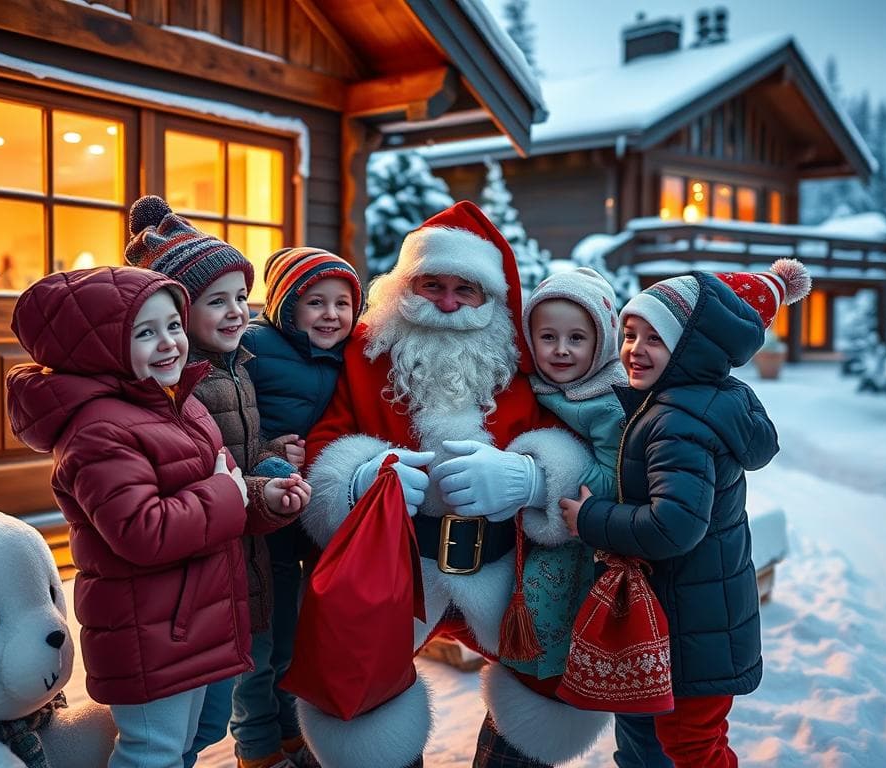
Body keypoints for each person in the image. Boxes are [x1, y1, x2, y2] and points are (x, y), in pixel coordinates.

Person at [300, 201, 609, 768]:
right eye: (431, 284)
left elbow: (581, 444)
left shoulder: (524, 354)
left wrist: (530, 477)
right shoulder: (366, 351)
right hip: (395, 569)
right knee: (364, 701)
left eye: (465, 289)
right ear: (402, 285)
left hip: (506, 568)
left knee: (540, 699)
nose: (446, 302)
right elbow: (325, 443)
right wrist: (361, 477)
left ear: (491, 296)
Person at [559, 260, 812, 768]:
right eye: (630, 334)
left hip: (689, 630)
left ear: (691, 349)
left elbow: (672, 526)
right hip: (685, 618)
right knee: (644, 739)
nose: (634, 349)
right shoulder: (689, 401)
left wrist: (592, 518)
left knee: (690, 747)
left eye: (655, 338)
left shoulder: (679, 422)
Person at [6, 266, 253, 768]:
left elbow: (219, 485)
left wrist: (252, 498)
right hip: (147, 627)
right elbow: (143, 530)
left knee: (193, 737)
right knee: (151, 752)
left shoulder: (176, 402)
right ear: (97, 350)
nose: (169, 343)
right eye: (144, 333)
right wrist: (229, 495)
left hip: (193, 616)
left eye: (174, 325)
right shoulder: (98, 432)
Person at [122, 196, 312, 768]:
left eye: (239, 297)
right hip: (202, 565)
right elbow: (207, 472)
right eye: (216, 301)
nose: (235, 312)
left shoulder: (238, 366)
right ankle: (257, 749)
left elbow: (236, 454)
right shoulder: (179, 384)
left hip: (239, 553)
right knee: (198, 710)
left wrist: (271, 457)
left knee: (229, 686)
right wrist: (262, 481)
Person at [517, 268, 674, 766]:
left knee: (562, 618)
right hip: (545, 533)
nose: (561, 350)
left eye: (577, 338)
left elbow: (617, 476)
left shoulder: (608, 402)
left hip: (590, 535)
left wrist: (549, 477)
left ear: (602, 342)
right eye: (548, 337)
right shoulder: (534, 386)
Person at [240, 246, 364, 768]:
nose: (332, 315)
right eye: (316, 302)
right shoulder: (254, 347)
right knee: (261, 637)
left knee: (300, 632)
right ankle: (256, 744)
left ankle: (292, 730)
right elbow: (230, 418)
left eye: (342, 303)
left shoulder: (353, 354)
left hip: (315, 513)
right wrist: (270, 447)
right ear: (286, 306)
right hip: (266, 512)